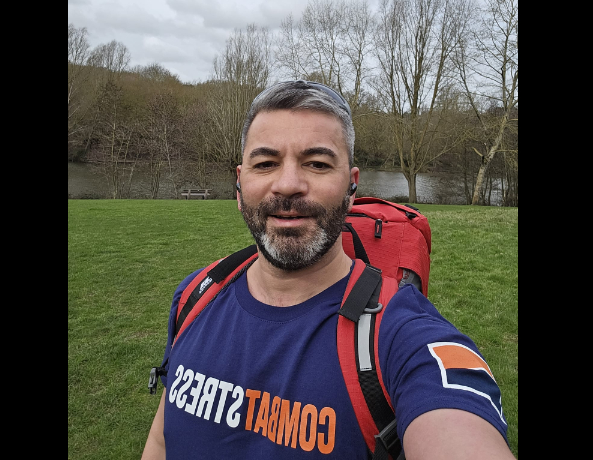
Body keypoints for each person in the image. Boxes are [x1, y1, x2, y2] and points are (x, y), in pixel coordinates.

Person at [141, 80, 515, 460]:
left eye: (317, 164)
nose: (288, 185)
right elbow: (161, 441)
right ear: (239, 185)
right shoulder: (196, 296)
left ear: (351, 187)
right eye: (265, 163)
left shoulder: (400, 335)